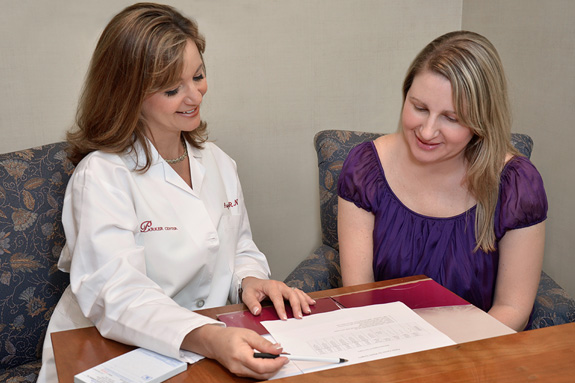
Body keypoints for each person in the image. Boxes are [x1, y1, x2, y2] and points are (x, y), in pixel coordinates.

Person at [37, 3, 315, 382]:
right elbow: (118, 295)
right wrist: (209, 338)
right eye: (172, 89)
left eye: (198, 76)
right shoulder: (101, 176)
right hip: (111, 351)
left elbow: (240, 249)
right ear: (129, 94)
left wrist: (252, 281)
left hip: (207, 348)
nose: (195, 97)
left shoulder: (217, 161)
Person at [337, 31, 547, 332]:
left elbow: (512, 309)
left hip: (477, 353)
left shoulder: (517, 185)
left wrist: (439, 354)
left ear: (481, 122)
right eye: (419, 107)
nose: (427, 131)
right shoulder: (365, 169)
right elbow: (359, 297)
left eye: (451, 117)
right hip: (384, 348)